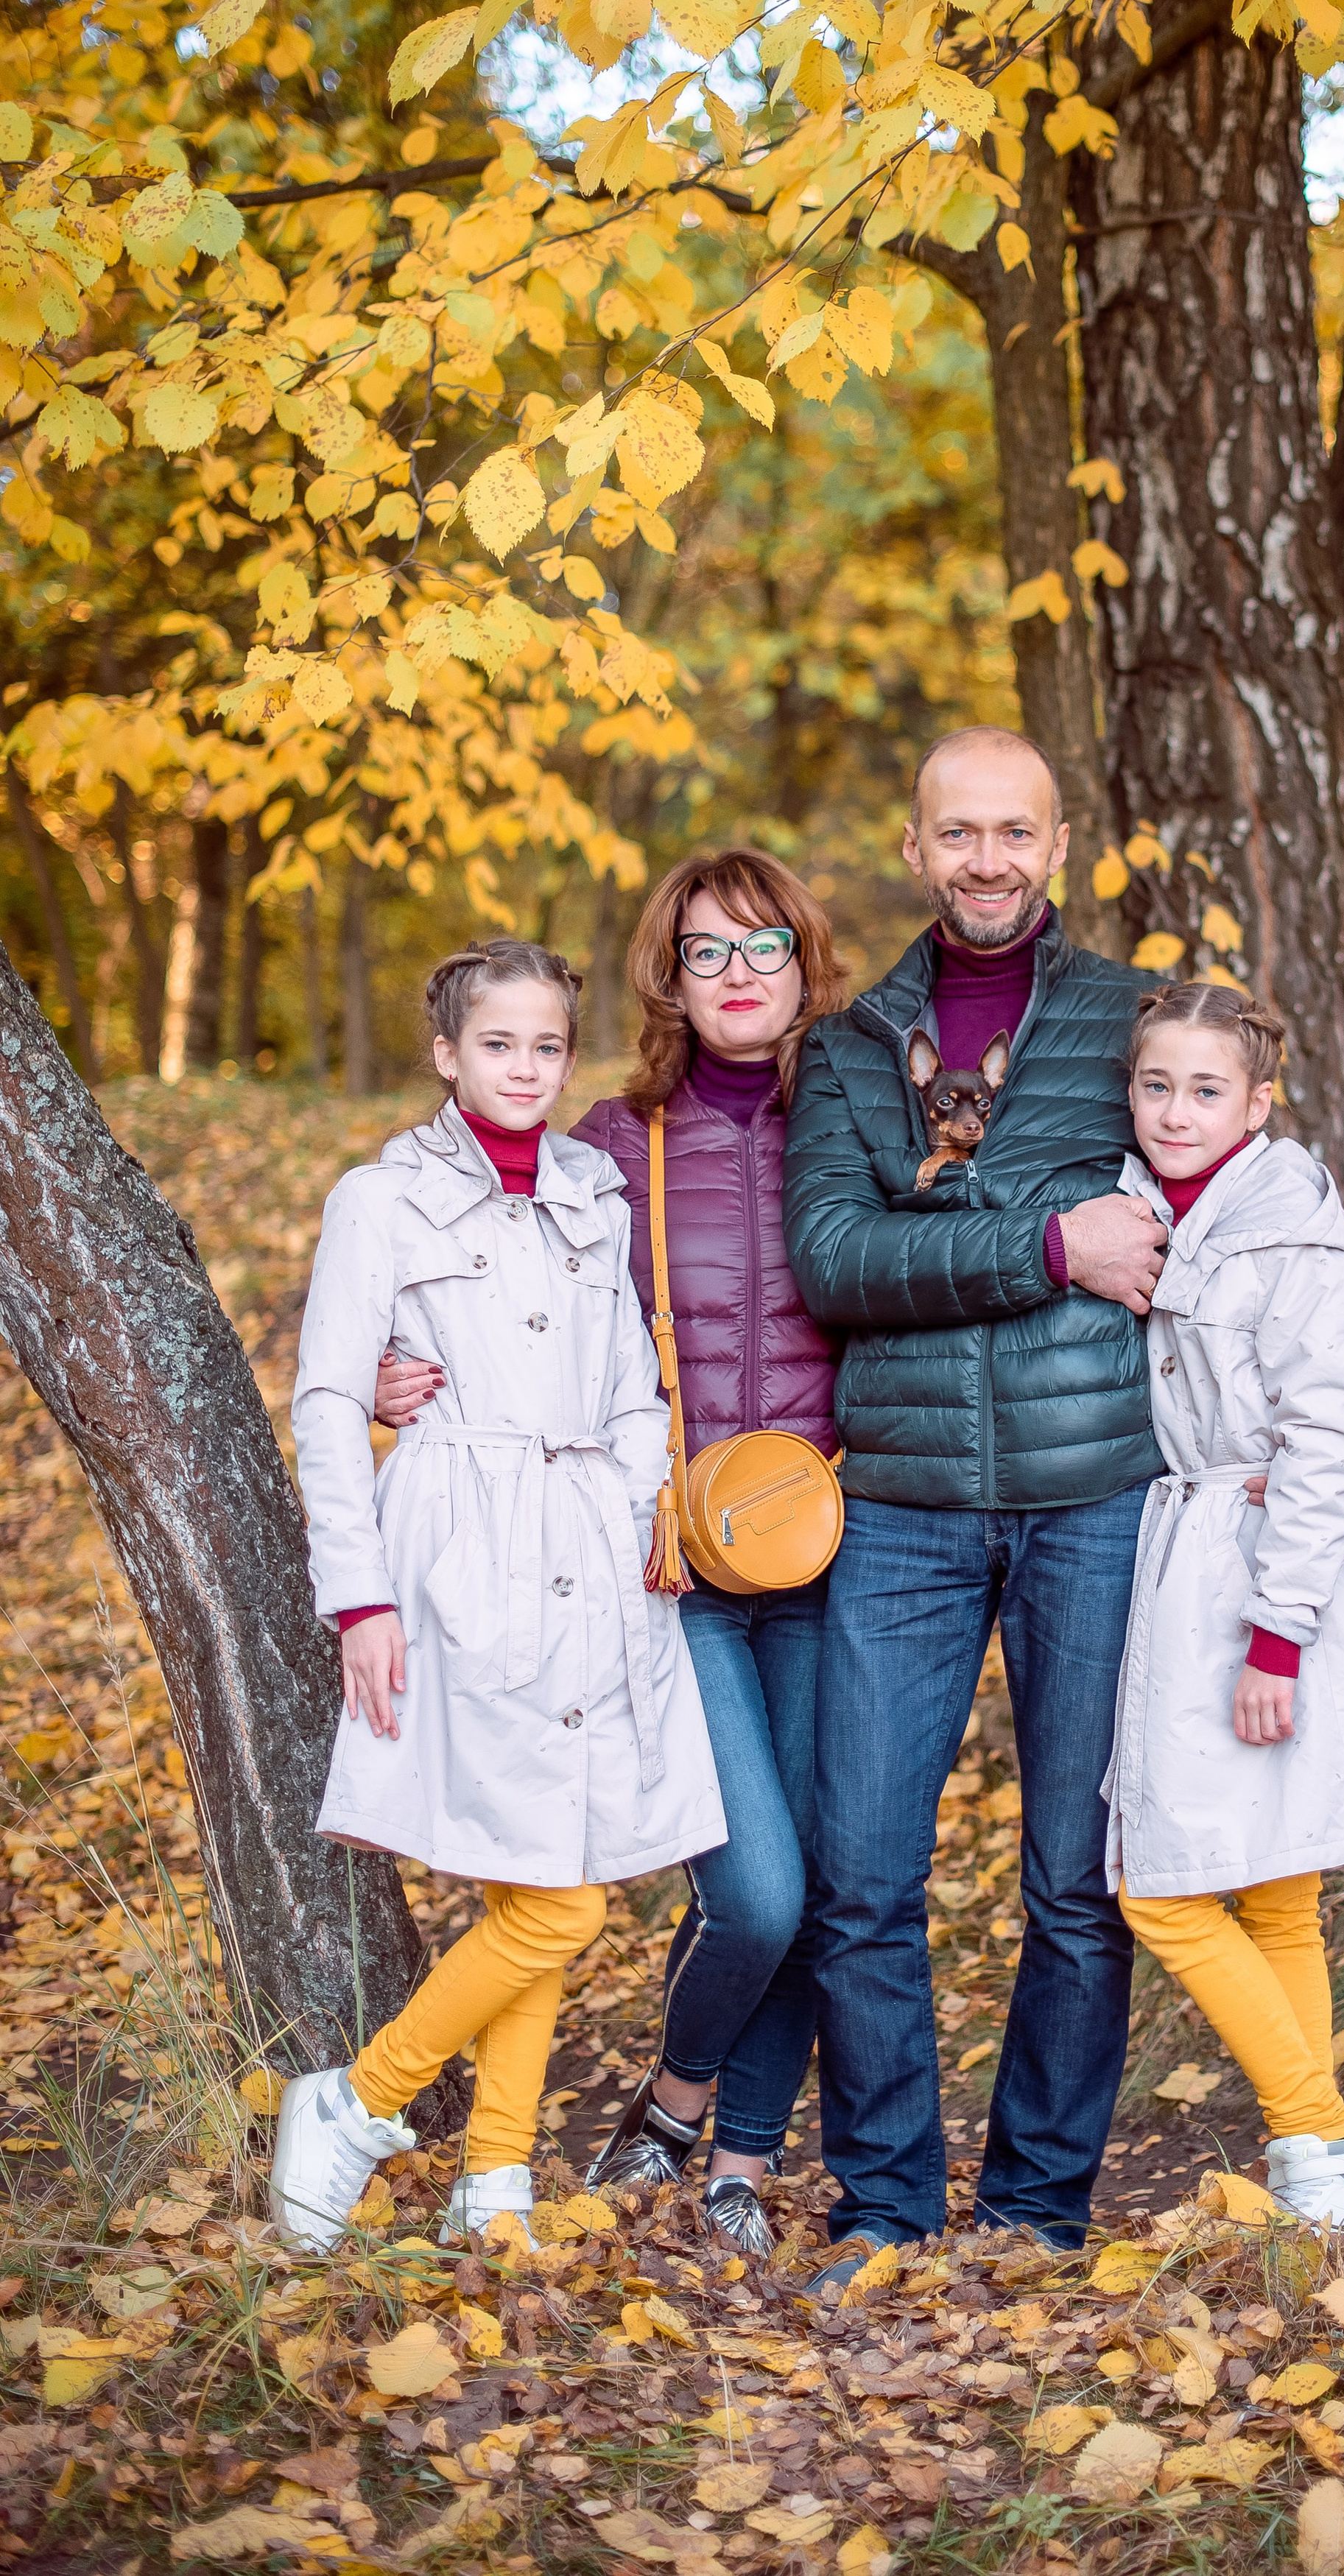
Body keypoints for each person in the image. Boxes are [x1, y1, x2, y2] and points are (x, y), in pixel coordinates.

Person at [373, 854, 845, 2261]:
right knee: (755, 1886)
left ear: (807, 961)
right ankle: (671, 2098)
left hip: (836, 1541)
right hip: (668, 1557)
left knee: (826, 1880)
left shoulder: (860, 1121)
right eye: (707, 951)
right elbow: (500, 1280)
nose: (741, 970)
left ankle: (739, 2160)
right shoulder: (604, 1145)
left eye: (767, 944)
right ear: (668, 977)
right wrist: (406, 1366)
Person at [781, 725, 1176, 2279]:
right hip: (900, 1507)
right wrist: (1044, 1248)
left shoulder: (1124, 1019)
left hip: (1092, 1498)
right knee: (860, 1875)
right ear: (913, 847)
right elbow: (833, 1265)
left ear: (1059, 843)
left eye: (1014, 830)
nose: (987, 858)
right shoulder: (849, 1041)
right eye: (959, 832)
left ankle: (1034, 2211)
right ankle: (882, 2202)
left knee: (1076, 1889)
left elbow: (1202, 1202)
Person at [270, 939, 723, 2256]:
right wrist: (358, 1600)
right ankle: (358, 2104)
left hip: (599, 1554)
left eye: (546, 1046)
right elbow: (326, 1399)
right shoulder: (384, 1198)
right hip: (460, 1557)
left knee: (549, 1873)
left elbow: (636, 1387)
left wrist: (648, 1506)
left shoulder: (593, 1188)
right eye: (498, 1045)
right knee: (557, 1900)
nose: (524, 1069)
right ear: (446, 1053)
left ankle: (499, 2180)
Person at [1107, 982, 1344, 2228]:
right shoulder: (1144, 1208)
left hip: (1265, 1567)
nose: (1177, 1111)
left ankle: (1320, 2133)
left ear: (1259, 1103)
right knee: (1277, 1884)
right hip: (1189, 1547)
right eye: (1156, 1084)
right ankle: (1314, 2165)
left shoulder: (1287, 1229)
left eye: (1207, 1089)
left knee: (1163, 1890)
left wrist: (1276, 1637)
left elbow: (1333, 1433)